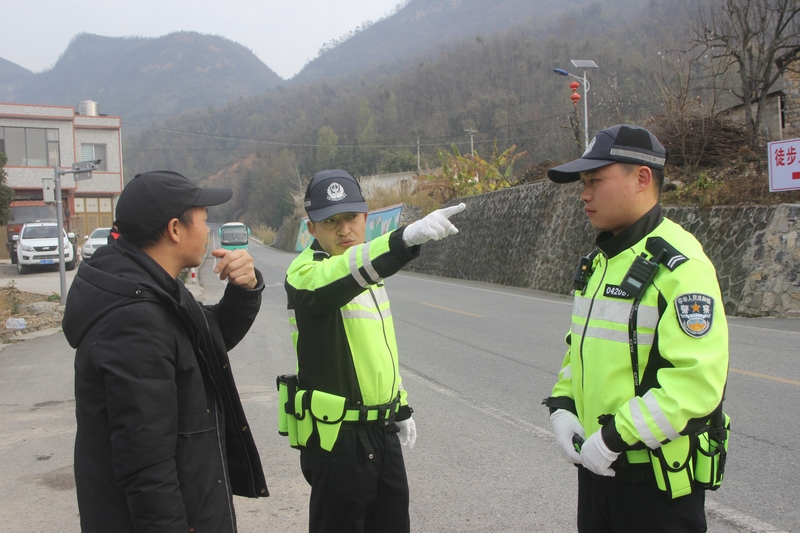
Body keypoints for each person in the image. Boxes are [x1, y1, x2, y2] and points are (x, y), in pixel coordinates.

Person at [542, 125, 729, 532]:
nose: (584, 194)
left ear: (642, 178)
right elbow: (581, 349)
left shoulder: (680, 266)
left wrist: (613, 438)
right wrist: (562, 406)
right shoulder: (602, 260)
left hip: (655, 484)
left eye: (595, 181)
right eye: (583, 183)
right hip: (597, 471)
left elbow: (695, 384)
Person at [63, 170, 269, 532]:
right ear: (175, 229)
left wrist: (244, 289)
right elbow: (147, 468)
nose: (208, 232)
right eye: (204, 220)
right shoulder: (136, 321)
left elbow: (205, 342)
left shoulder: (153, 289)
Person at [283, 169, 465, 533]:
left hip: (382, 432)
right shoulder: (305, 274)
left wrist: (399, 405)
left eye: (351, 217)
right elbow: (340, 273)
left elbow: (377, 350)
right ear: (311, 227)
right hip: (338, 442)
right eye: (330, 221)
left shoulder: (365, 272)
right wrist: (403, 239)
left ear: (365, 217)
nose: (344, 230)